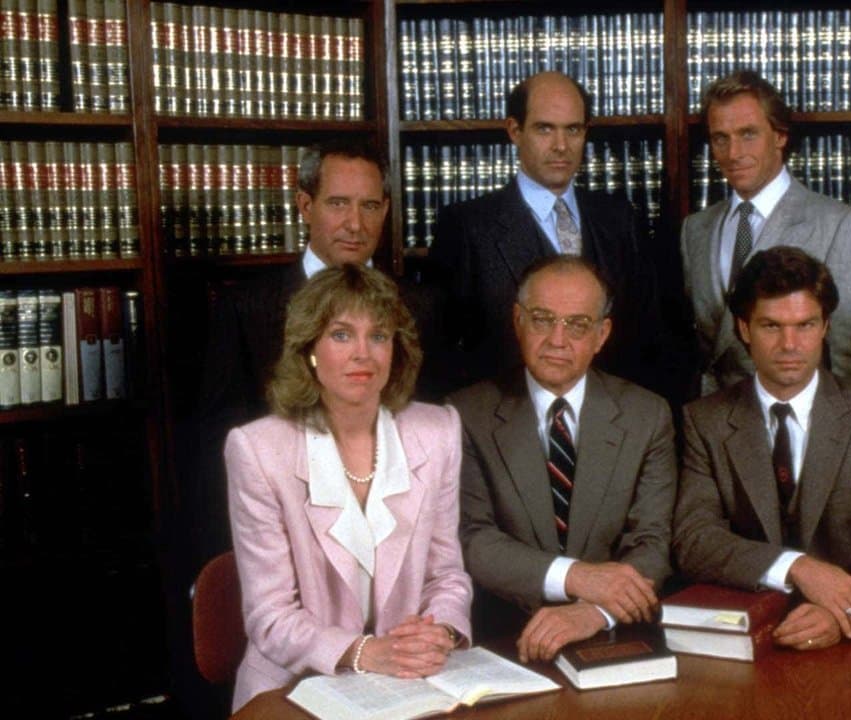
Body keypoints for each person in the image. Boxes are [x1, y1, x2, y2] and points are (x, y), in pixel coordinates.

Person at [225, 265, 471, 711]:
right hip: (292, 688)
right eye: (341, 335)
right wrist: (366, 653)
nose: (363, 354)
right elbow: (270, 616)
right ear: (309, 350)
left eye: (378, 336)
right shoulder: (258, 450)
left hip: (408, 680)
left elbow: (446, 574)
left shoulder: (438, 431)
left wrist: (439, 631)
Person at [193, 137, 440, 566]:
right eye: (338, 204)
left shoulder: (420, 306)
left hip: (394, 536)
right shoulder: (246, 308)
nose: (355, 224)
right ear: (305, 206)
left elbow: (427, 436)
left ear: (385, 210)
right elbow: (222, 444)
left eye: (369, 206)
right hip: (283, 537)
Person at [673, 246, 851, 650]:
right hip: (744, 634)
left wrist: (844, 614)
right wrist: (796, 567)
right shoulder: (705, 420)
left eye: (805, 325)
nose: (790, 344)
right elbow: (694, 540)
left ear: (825, 327)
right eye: (771, 326)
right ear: (744, 329)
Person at [449, 256, 676, 663]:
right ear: (518, 321)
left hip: (613, 637)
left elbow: (652, 543)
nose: (557, 340)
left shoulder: (647, 415)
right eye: (542, 319)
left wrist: (594, 611)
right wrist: (577, 577)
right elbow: (472, 538)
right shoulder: (466, 414)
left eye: (577, 325)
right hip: (502, 640)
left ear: (602, 334)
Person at [428, 71, 672, 399]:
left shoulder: (619, 218)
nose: (561, 146)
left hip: (611, 418)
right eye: (545, 129)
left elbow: (650, 338)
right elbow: (443, 353)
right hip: (507, 417)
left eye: (573, 130)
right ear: (515, 131)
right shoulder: (466, 226)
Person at [681, 70, 851, 395]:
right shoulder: (695, 229)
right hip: (716, 416)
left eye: (748, 134)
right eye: (720, 138)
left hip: (806, 416)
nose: (733, 153)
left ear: (780, 136)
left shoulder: (840, 224)